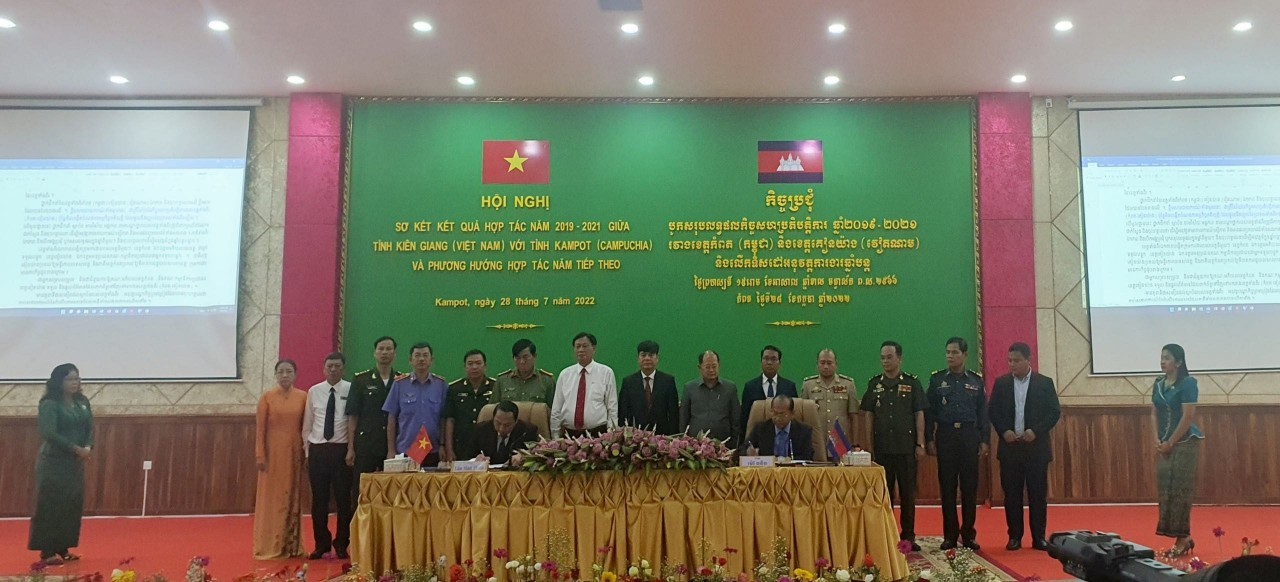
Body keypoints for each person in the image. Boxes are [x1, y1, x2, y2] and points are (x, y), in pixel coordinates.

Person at [988, 342, 1060, 552]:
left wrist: (1035, 431)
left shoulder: (1044, 383)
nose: (1012, 364)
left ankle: (1039, 537)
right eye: (1009, 360)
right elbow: (993, 412)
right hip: (1010, 448)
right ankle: (1014, 537)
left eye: (1017, 360)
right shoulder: (1001, 384)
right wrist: (1004, 431)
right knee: (1012, 495)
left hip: (1036, 448)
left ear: (1029, 360)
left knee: (1037, 495)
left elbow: (1053, 412)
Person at [860, 341, 927, 552]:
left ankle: (908, 536)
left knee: (907, 494)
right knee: (884, 495)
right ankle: (886, 534)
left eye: (889, 357)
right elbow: (868, 416)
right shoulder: (874, 385)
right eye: (883, 358)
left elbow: (919, 414)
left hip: (906, 448)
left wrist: (920, 443)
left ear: (899, 358)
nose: (885, 361)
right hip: (882, 449)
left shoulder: (912, 383)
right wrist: (869, 447)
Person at [925, 337, 989, 551]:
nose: (950, 356)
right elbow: (929, 413)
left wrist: (985, 440)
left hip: (969, 436)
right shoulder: (937, 380)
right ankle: (950, 536)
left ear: (965, 355)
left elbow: (983, 413)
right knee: (948, 488)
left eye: (954, 353)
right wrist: (928, 439)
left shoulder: (976, 380)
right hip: (946, 436)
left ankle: (969, 535)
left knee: (970, 489)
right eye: (948, 352)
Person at [28, 363, 92, 565]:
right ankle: (47, 552)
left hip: (74, 464)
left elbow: (90, 427)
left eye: (77, 378)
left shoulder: (82, 401)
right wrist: (74, 448)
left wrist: (88, 446)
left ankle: (63, 548)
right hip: (53, 463)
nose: (75, 383)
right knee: (51, 505)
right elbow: (49, 433)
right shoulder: (50, 403)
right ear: (59, 381)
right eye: (70, 379)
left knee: (71, 505)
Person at [1152, 343, 1203, 556]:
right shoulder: (1158, 383)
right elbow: (1153, 412)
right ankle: (1183, 537)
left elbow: (1188, 416)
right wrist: (1156, 439)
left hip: (1185, 443)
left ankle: (1182, 538)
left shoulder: (1188, 383)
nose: (1163, 361)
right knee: (1166, 489)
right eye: (1161, 357)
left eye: (1168, 358)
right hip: (1164, 443)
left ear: (1179, 362)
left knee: (1180, 490)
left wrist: (1170, 442)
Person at [301, 352, 353, 560]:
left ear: (343, 368)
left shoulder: (351, 389)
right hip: (318, 450)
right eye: (329, 366)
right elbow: (307, 424)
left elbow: (352, 420)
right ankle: (321, 544)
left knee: (343, 500)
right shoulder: (314, 391)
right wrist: (307, 451)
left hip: (341, 450)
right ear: (324, 369)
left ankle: (342, 544)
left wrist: (351, 449)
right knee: (319, 500)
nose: (333, 369)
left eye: (337, 366)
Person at [253, 359, 307, 559]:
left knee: (291, 496)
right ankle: (269, 544)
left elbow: (306, 427)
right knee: (272, 499)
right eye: (281, 372)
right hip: (272, 454)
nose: (285, 375)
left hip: (294, 452)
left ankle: (290, 545)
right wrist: (260, 454)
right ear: (276, 375)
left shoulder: (303, 397)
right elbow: (260, 429)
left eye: (289, 371)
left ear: (295, 374)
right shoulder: (267, 398)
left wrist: (305, 453)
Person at [344, 336, 398, 506]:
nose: (384, 353)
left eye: (388, 349)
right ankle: (358, 531)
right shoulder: (361, 380)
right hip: (366, 442)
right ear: (374, 353)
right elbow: (353, 416)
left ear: (394, 354)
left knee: (391, 491)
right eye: (381, 349)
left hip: (393, 445)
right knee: (361, 490)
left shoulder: (401, 380)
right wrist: (350, 448)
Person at [383, 342, 448, 466]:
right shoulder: (399, 384)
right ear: (410, 360)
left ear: (431, 360)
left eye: (425, 355)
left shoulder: (441, 385)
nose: (421, 359)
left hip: (433, 450)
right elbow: (391, 418)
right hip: (405, 449)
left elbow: (444, 418)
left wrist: (442, 445)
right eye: (417, 355)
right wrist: (391, 450)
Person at [550, 332, 618, 437]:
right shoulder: (565, 374)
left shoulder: (606, 373)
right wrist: (555, 436)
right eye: (577, 346)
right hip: (569, 434)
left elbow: (612, 407)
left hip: (598, 434)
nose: (581, 350)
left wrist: (611, 435)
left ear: (594, 348)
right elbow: (556, 408)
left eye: (585, 346)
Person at [444, 349, 497, 462]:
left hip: (488, 445)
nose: (474, 367)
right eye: (470, 364)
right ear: (465, 367)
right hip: (462, 446)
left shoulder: (495, 387)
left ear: (485, 366)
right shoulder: (454, 389)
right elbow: (450, 420)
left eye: (478, 363)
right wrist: (449, 450)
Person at [618, 340, 680, 434]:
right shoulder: (628, 382)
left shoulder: (668, 381)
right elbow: (623, 413)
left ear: (657, 358)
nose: (647, 359)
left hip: (662, 437)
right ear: (638, 358)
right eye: (643, 355)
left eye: (651, 355)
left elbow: (673, 414)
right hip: (635, 438)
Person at [800, 348, 858, 450]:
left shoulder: (848, 384)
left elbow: (854, 416)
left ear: (836, 364)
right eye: (822, 363)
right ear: (817, 364)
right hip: (816, 441)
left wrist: (855, 443)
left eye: (829, 363)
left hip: (840, 441)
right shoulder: (808, 385)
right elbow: (802, 416)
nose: (826, 366)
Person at [681, 350, 740, 448]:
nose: (711, 370)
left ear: (719, 366)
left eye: (714, 366)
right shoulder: (689, 388)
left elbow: (735, 420)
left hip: (724, 445)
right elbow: (683, 419)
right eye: (707, 367)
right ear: (699, 367)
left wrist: (733, 444)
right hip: (695, 447)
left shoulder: (730, 388)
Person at [739, 345, 797, 442]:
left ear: (779, 363)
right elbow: (744, 418)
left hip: (783, 437)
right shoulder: (750, 387)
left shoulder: (789, 386)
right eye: (766, 359)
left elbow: (793, 417)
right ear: (761, 361)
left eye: (773, 359)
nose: (769, 362)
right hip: (757, 438)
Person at [744, 395, 815, 460]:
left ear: (792, 414)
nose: (777, 418)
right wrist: (748, 452)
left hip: (793, 472)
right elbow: (742, 449)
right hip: (767, 472)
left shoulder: (804, 431)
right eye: (774, 413)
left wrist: (787, 460)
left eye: (782, 414)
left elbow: (808, 456)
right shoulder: (761, 428)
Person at [472, 400, 540, 465]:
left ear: (516, 422)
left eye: (507, 425)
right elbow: (467, 456)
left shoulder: (527, 431)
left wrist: (523, 457)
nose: (501, 429)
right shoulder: (481, 430)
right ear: (493, 418)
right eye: (498, 423)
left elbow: (534, 457)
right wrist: (476, 459)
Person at [494, 339, 556, 404]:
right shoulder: (502, 381)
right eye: (518, 358)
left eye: (525, 357)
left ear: (534, 356)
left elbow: (554, 410)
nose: (522, 362)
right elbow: (492, 409)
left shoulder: (547, 381)